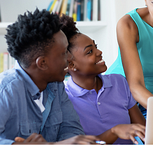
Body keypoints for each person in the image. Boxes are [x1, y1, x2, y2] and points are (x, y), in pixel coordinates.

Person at [0, 9, 99, 144]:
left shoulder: (56, 85)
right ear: (42, 63)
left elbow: (73, 131)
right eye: (64, 53)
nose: (70, 58)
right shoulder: (2, 90)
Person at [60, 15, 146, 144]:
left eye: (96, 46)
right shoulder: (65, 99)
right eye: (89, 51)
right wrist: (114, 131)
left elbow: (144, 130)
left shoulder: (119, 82)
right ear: (71, 65)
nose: (99, 52)